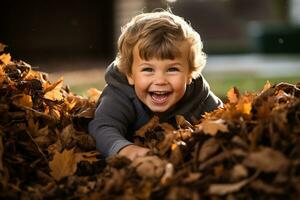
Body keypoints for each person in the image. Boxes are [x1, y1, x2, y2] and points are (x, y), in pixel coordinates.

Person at [88, 10, 223, 160]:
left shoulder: (199, 96)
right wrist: (126, 150)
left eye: (172, 69)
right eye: (148, 69)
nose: (160, 80)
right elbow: (103, 128)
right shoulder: (120, 95)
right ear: (130, 74)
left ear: (190, 74)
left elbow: (223, 120)